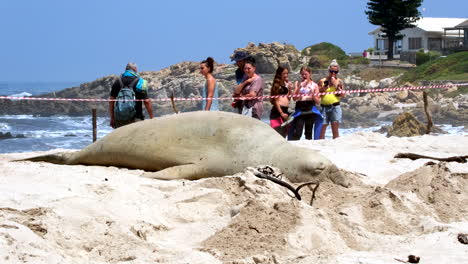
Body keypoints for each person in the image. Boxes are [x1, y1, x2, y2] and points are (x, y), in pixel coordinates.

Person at [109, 62, 153, 128]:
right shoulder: (140, 82)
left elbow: (111, 101)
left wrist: (112, 118)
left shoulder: (117, 82)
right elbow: (146, 101)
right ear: (135, 69)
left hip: (120, 119)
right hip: (136, 118)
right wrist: (152, 118)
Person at [290, 66, 322, 140]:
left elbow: (318, 102)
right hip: (300, 108)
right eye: (302, 74)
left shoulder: (314, 85)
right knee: (298, 130)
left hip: (310, 108)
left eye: (305, 74)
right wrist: (298, 88)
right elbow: (294, 98)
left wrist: (312, 95)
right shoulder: (298, 83)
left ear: (310, 74)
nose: (304, 76)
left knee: (308, 131)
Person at [318, 59, 345, 139]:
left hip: (335, 106)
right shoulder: (323, 80)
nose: (333, 73)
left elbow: (342, 95)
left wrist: (336, 85)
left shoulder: (339, 81)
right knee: (322, 128)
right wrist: (324, 88)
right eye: (331, 71)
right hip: (324, 107)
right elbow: (317, 93)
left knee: (335, 128)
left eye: (335, 72)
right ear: (328, 70)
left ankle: (335, 144)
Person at [269, 66, 292, 137]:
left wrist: (290, 89)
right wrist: (281, 113)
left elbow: (288, 98)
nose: (286, 75)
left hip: (285, 110)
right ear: (279, 74)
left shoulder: (286, 84)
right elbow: (275, 101)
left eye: (287, 73)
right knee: (278, 133)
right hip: (278, 111)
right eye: (284, 73)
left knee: (284, 133)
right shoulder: (276, 85)